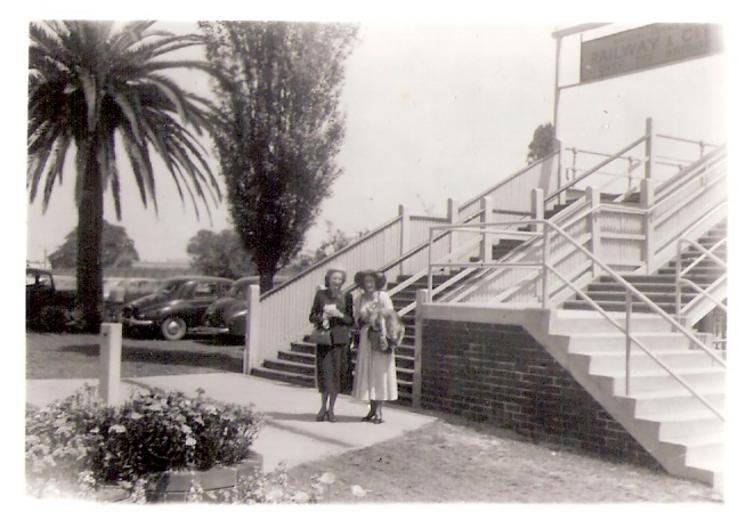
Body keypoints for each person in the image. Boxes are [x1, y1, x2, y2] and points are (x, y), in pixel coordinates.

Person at [308, 264, 354, 422]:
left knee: (336, 375)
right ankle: (322, 407)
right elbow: (311, 316)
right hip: (325, 339)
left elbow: (351, 320)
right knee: (325, 374)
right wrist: (322, 317)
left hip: (340, 340)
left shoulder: (347, 296)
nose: (337, 281)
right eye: (334, 278)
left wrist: (340, 315)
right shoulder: (321, 295)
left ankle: (332, 409)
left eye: (340, 279)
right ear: (328, 279)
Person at [352, 270, 399, 423]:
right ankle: (371, 409)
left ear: (377, 283)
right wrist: (364, 318)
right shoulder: (359, 299)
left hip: (380, 336)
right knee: (369, 373)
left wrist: (379, 319)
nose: (369, 284)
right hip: (366, 338)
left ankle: (379, 410)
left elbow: (391, 316)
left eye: (371, 281)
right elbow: (356, 321)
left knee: (380, 373)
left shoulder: (383, 296)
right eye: (366, 282)